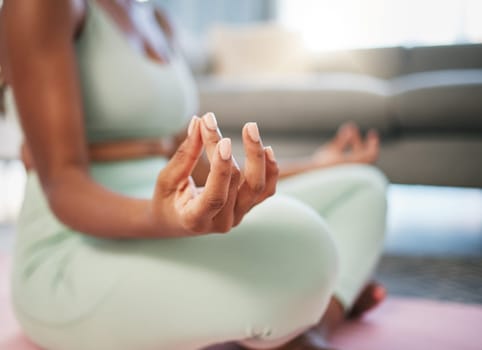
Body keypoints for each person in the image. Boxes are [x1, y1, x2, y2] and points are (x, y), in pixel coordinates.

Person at [0, 1, 388, 349]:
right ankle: (322, 301)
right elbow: (62, 182)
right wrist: (162, 217)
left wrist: (318, 163)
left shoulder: (157, 19)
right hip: (75, 253)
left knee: (362, 187)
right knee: (307, 242)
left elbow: (197, 160)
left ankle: (310, 328)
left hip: (173, 219)